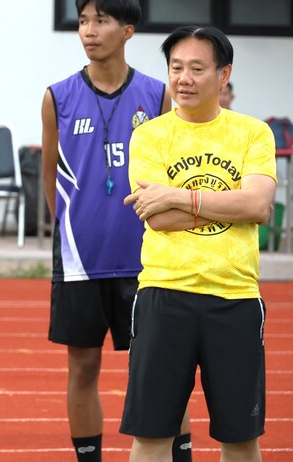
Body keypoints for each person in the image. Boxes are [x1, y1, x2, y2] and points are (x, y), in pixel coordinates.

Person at [40, 0, 193, 462]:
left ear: (128, 30)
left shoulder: (159, 94)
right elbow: (51, 179)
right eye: (83, 20)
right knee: (82, 369)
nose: (89, 30)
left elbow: (176, 172)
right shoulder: (57, 97)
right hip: (81, 262)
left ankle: (178, 454)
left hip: (147, 260)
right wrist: (73, 232)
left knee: (160, 368)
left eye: (101, 20)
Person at [121, 25, 275, 461]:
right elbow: (160, 219)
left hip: (235, 297)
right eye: (175, 67)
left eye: (196, 68)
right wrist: (228, 202)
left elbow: (259, 206)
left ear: (224, 75)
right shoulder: (149, 136)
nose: (183, 78)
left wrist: (174, 193)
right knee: (151, 435)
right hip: (164, 294)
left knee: (240, 438)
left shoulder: (253, 133)